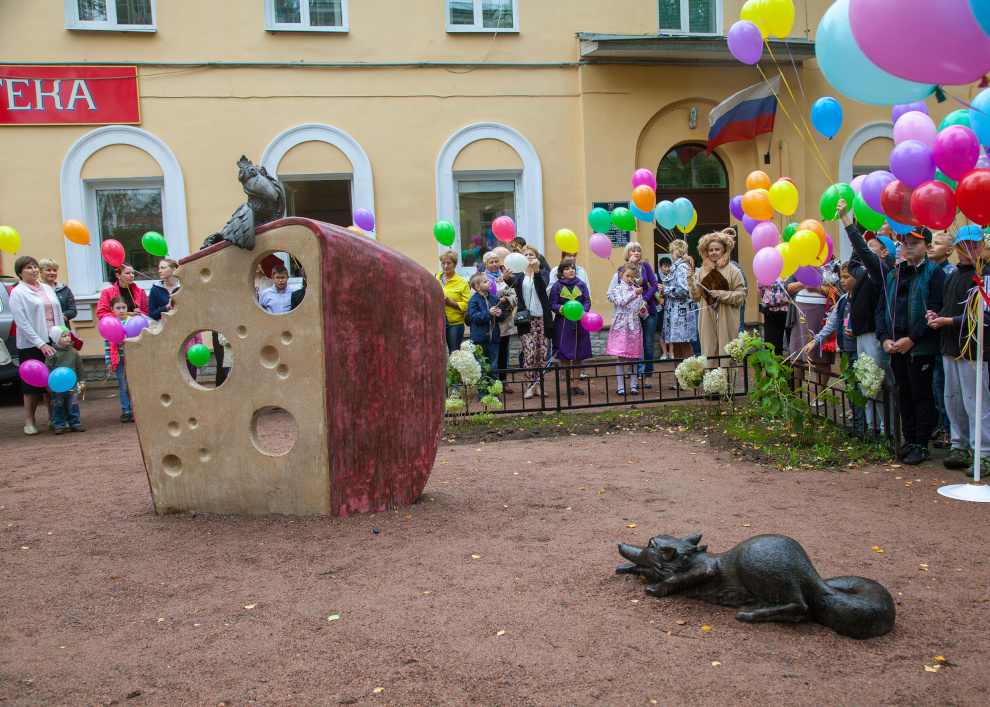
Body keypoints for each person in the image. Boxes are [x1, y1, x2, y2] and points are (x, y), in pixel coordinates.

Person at [875, 225, 945, 465]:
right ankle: (910, 440)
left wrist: (912, 339)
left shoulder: (934, 273)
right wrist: (885, 338)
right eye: (905, 243)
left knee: (920, 394)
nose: (909, 248)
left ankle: (921, 444)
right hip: (895, 346)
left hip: (920, 346)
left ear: (927, 246)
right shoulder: (893, 275)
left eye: (916, 243)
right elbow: (881, 309)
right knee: (904, 393)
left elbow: (935, 309)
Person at [928, 230, 990, 476]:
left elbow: (985, 316)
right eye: (963, 246)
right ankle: (959, 445)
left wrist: (949, 321)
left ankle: (983, 452)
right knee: (952, 399)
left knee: (976, 401)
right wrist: (936, 316)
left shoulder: (985, 275)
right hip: (950, 346)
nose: (968, 251)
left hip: (974, 350)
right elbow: (947, 306)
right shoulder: (953, 276)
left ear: (981, 246)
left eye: (973, 246)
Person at [837, 199, 895, 434]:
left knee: (877, 382)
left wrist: (847, 220)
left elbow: (862, 251)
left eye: (873, 245)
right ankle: (871, 429)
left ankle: (887, 431)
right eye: (867, 243)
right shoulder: (862, 273)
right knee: (865, 382)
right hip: (861, 334)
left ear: (885, 252)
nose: (867, 248)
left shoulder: (881, 271)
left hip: (874, 335)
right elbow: (854, 261)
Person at [803, 262, 864, 430]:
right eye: (841, 277)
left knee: (860, 386)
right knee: (851, 384)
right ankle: (856, 422)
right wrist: (815, 342)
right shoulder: (843, 300)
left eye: (846, 277)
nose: (842, 281)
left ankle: (864, 424)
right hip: (846, 349)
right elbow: (830, 326)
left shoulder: (862, 300)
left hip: (860, 350)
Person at [9, 256, 64, 435]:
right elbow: (22, 322)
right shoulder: (18, 292)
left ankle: (53, 418)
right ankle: (30, 421)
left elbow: (57, 313)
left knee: (51, 380)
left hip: (52, 340)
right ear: (20, 273)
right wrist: (40, 343)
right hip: (31, 343)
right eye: (28, 268)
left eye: (34, 267)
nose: (33, 270)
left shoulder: (47, 288)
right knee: (31, 385)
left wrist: (61, 335)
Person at [786, 257, 839, 401]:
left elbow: (838, 291)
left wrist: (816, 287)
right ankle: (796, 395)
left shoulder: (833, 265)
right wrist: (804, 283)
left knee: (821, 356)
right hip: (800, 314)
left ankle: (819, 396)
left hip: (821, 314)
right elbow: (788, 287)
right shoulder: (802, 262)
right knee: (797, 354)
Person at [691, 229, 746, 359]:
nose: (714, 252)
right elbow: (696, 297)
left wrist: (722, 294)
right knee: (708, 348)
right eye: (711, 250)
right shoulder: (701, 272)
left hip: (727, 318)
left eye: (717, 249)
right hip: (707, 319)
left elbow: (740, 295)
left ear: (723, 251)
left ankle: (727, 372)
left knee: (727, 349)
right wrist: (690, 281)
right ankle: (710, 372)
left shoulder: (733, 271)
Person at [511, 245, 553, 399]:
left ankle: (539, 385)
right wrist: (506, 277)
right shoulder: (519, 275)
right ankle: (529, 386)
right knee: (529, 354)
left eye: (531, 254)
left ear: (537, 257)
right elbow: (510, 285)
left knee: (542, 355)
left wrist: (536, 271)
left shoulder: (544, 273)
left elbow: (542, 288)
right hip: (527, 320)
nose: (529, 257)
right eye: (526, 254)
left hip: (542, 319)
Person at [927, 231, 956, 449]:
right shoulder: (928, 270)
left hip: (944, 336)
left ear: (949, 250)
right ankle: (940, 424)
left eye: (937, 243)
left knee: (943, 384)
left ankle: (949, 429)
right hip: (930, 335)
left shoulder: (950, 273)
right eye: (931, 243)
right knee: (935, 387)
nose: (931, 246)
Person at [548, 261, 592, 396]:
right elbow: (552, 303)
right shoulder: (557, 286)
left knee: (578, 354)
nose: (571, 271)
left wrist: (583, 311)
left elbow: (587, 301)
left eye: (572, 268)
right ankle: (568, 386)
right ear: (561, 272)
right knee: (565, 354)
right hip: (563, 324)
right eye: (567, 269)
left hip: (580, 323)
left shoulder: (581, 285)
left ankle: (576, 385)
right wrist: (563, 309)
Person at [607, 264, 648, 395]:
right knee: (621, 357)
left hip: (634, 327)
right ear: (621, 275)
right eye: (627, 276)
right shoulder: (617, 289)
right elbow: (621, 302)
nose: (630, 279)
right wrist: (635, 293)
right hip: (621, 326)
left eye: (633, 276)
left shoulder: (637, 291)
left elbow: (643, 315)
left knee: (634, 357)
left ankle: (633, 385)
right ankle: (620, 386)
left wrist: (643, 310)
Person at [622, 242, 659, 387]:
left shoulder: (646, 266)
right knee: (633, 343)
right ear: (627, 253)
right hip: (632, 312)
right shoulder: (622, 269)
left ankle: (648, 374)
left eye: (638, 250)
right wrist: (630, 268)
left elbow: (654, 285)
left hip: (647, 309)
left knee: (648, 343)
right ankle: (634, 376)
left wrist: (645, 299)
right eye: (633, 251)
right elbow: (623, 287)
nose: (636, 253)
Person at [466, 272, 505, 400]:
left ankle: (494, 393)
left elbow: (503, 316)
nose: (489, 283)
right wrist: (489, 313)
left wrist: (500, 314)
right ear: (477, 287)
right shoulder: (473, 300)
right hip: (479, 340)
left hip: (494, 339)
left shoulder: (495, 299)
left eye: (488, 281)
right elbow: (474, 317)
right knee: (481, 366)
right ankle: (482, 394)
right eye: (485, 281)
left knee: (493, 366)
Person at [661, 240, 698, 360]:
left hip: (682, 315)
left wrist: (666, 289)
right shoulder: (676, 267)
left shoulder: (682, 267)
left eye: (671, 251)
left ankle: (690, 369)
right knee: (676, 345)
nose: (671, 254)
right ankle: (679, 371)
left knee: (684, 343)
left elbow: (684, 290)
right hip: (674, 313)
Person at [45, 327, 85, 434]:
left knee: (72, 404)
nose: (68, 338)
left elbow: (79, 367)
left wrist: (82, 381)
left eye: (68, 335)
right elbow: (48, 369)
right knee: (57, 404)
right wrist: (48, 384)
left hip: (71, 383)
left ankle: (75, 423)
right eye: (64, 336)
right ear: (55, 338)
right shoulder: (52, 353)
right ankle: (59, 425)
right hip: (56, 385)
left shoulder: (73, 352)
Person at [104, 296, 134, 423]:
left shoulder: (132, 321)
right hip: (119, 360)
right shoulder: (110, 324)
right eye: (118, 308)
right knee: (123, 386)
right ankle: (126, 410)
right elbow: (107, 344)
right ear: (112, 309)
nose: (121, 310)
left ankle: (134, 410)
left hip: (133, 359)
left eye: (123, 307)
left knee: (133, 385)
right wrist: (108, 361)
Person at [436, 250, 471, 354]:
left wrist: (450, 302)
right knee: (437, 352)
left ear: (455, 264)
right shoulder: (435, 279)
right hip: (437, 322)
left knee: (454, 353)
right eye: (443, 263)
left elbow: (467, 305)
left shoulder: (462, 282)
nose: (445, 266)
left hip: (454, 324)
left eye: (449, 263)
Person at [38, 258, 76, 327]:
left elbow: (72, 310)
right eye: (48, 270)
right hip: (43, 327)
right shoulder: (35, 290)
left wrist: (63, 316)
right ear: (40, 272)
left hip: (62, 328)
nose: (52, 273)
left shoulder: (65, 290)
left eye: (54, 270)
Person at [758, 277, 790, 357]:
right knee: (772, 345)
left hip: (789, 310)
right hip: (771, 311)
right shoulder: (766, 269)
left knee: (792, 343)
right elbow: (760, 287)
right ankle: (775, 363)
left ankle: (792, 364)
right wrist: (769, 299)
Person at [656, 256, 673, 359]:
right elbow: (653, 291)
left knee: (671, 328)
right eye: (665, 266)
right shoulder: (656, 277)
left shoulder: (673, 277)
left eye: (669, 266)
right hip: (660, 307)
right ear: (660, 267)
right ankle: (664, 352)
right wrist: (659, 299)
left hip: (671, 307)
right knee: (661, 329)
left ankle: (671, 351)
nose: (667, 269)